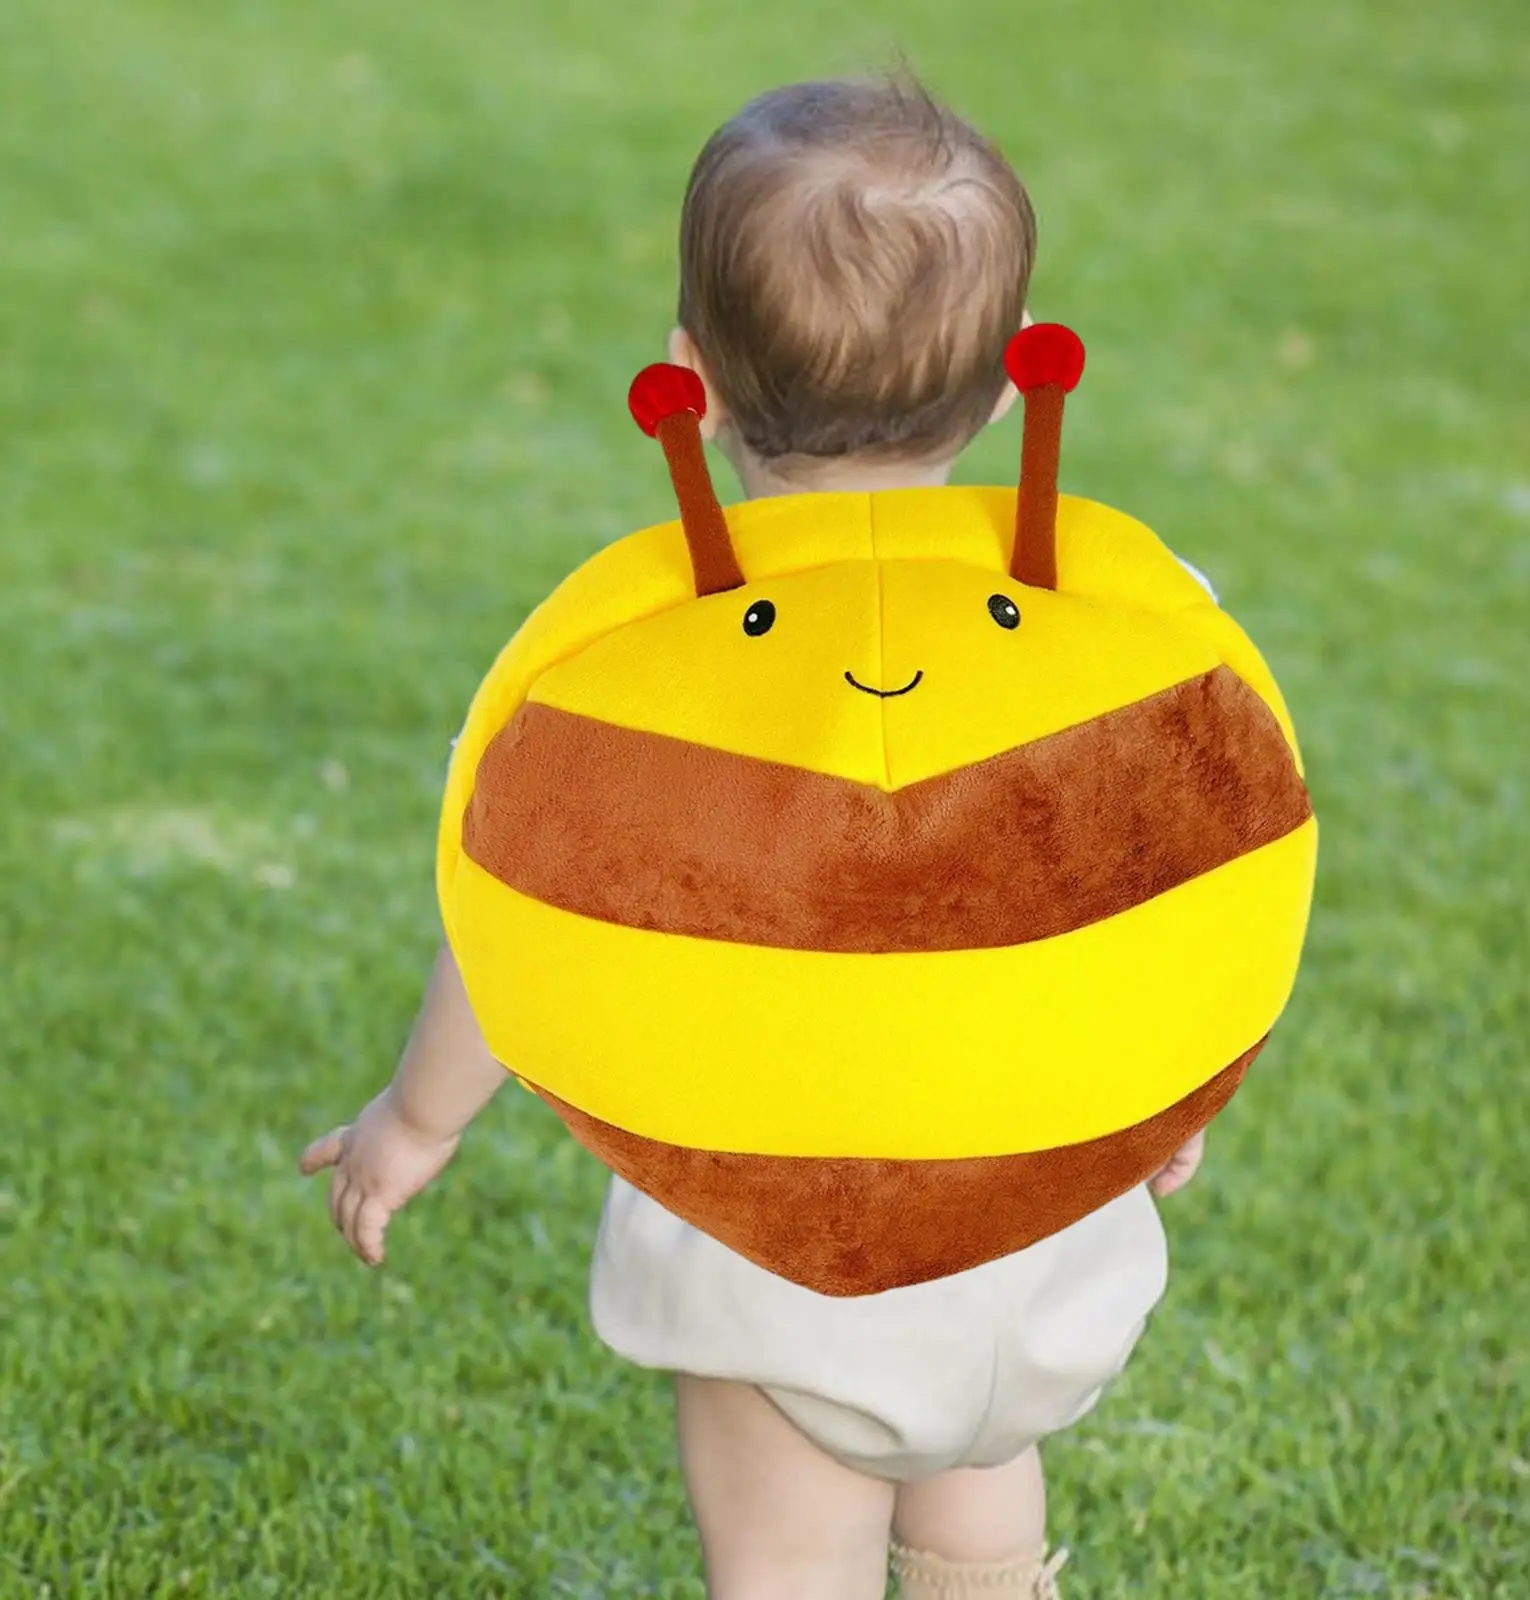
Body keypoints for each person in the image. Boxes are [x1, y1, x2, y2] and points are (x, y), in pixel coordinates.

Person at [302, 73, 1211, 1600]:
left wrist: (415, 1122)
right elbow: (1179, 884)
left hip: (777, 1248)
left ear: (690, 381)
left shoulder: (660, 682)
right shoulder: (1086, 634)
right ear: (1005, 392)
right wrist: (1169, 1089)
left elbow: (536, 926)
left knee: (792, 1561)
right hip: (1035, 1226)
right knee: (980, 1531)